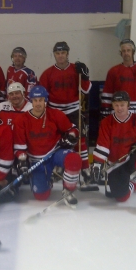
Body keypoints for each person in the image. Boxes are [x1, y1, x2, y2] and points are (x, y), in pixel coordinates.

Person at [38, 41, 97, 191]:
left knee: (80, 140)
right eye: (57, 53)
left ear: (67, 54)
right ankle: (57, 168)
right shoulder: (47, 73)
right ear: (54, 55)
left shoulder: (75, 70)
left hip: (73, 110)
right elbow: (42, 96)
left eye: (63, 53)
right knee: (56, 141)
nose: (60, 56)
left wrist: (85, 75)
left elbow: (86, 90)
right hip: (55, 112)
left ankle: (85, 169)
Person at [91, 91, 136, 210]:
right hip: (117, 163)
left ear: (128, 105)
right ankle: (134, 183)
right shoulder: (106, 123)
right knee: (120, 197)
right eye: (116, 105)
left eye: (122, 105)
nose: (119, 108)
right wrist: (97, 164)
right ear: (113, 106)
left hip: (133, 156)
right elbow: (103, 145)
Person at [13, 85, 82, 206]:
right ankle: (47, 179)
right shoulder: (22, 120)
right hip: (36, 159)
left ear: (45, 100)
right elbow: (19, 146)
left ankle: (68, 190)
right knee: (41, 196)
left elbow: (73, 130)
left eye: (41, 100)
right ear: (31, 101)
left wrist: (71, 136)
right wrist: (22, 162)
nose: (38, 103)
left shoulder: (55, 114)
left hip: (55, 152)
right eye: (35, 100)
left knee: (74, 159)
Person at [100, 39, 136, 121]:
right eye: (123, 51)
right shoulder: (113, 71)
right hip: (118, 110)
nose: (126, 53)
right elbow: (108, 92)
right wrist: (105, 109)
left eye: (128, 50)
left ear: (133, 52)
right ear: (121, 53)